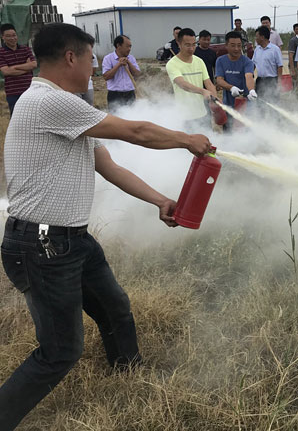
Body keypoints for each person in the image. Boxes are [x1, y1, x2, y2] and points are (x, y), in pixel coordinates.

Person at [0, 22, 212, 431]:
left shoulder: (67, 108)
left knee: (115, 308)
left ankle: (127, 371)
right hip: (42, 244)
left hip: (71, 239)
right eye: (90, 59)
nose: (93, 67)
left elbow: (109, 166)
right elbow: (137, 132)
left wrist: (160, 200)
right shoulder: (47, 101)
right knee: (60, 352)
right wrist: (186, 139)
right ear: (70, 58)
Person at [165, 28, 218, 126]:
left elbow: (209, 83)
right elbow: (182, 84)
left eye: (194, 44)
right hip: (184, 117)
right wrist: (202, 91)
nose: (191, 48)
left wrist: (215, 99)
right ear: (179, 44)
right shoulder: (172, 64)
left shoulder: (199, 61)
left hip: (202, 114)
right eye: (187, 45)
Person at [215, 31, 256, 126]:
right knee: (229, 130)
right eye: (233, 45)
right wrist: (231, 88)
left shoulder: (247, 62)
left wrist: (251, 90)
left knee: (245, 131)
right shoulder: (220, 61)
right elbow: (219, 80)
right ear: (226, 45)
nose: (236, 49)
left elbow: (249, 76)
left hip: (246, 107)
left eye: (239, 45)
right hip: (228, 106)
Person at [0, 23, 37, 115]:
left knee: (33, 117)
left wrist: (15, 67)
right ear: (3, 37)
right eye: (8, 36)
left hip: (30, 90)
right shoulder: (1, 52)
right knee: (16, 118)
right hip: (13, 93)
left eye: (14, 35)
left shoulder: (26, 49)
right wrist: (26, 67)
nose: (12, 38)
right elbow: (6, 71)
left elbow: (34, 64)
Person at [102, 35, 142, 112]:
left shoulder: (131, 58)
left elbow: (137, 74)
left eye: (130, 46)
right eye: (127, 46)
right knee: (116, 117)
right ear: (118, 46)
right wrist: (118, 64)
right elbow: (106, 76)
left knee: (132, 116)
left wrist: (129, 63)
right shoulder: (108, 58)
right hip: (115, 95)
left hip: (130, 94)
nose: (129, 49)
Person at [252, 25, 283, 102]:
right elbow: (253, 64)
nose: (255, 39)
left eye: (257, 37)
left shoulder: (275, 49)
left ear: (262, 37)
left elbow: (279, 66)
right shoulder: (257, 49)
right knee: (259, 102)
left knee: (272, 102)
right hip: (260, 80)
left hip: (271, 80)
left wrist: (279, 82)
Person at [287, 23, 298, 100]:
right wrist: (292, 69)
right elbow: (290, 56)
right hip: (295, 66)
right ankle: (297, 101)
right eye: (296, 29)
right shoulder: (293, 41)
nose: (297, 30)